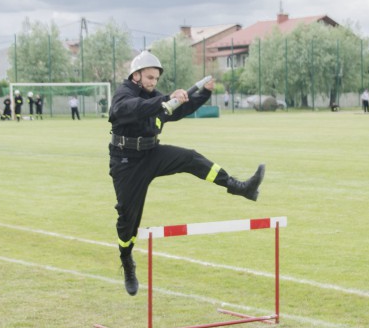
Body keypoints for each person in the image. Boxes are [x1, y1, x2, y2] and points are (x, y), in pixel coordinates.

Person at [109, 51, 266, 296]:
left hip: (152, 154)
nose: (153, 82)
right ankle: (127, 260)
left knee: (190, 158)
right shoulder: (124, 94)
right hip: (126, 162)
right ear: (136, 75)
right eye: (149, 77)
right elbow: (131, 108)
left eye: (156, 79)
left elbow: (178, 110)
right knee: (128, 219)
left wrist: (204, 93)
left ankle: (238, 186)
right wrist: (164, 100)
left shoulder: (155, 98)